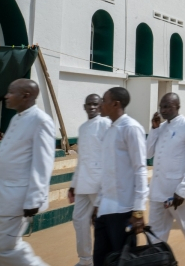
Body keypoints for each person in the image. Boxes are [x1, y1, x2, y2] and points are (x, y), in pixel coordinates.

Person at [0, 79, 55, 266]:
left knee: (6, 248)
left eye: (11, 92)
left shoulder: (41, 121)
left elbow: (43, 163)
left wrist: (34, 199)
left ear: (26, 96)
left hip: (18, 199)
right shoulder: (16, 118)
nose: (6, 96)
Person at [92, 88, 148, 266]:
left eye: (104, 100)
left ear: (115, 104)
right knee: (101, 259)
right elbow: (107, 172)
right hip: (105, 209)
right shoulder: (110, 130)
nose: (101, 104)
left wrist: (138, 210)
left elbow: (140, 169)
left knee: (123, 261)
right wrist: (97, 203)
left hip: (124, 210)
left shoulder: (131, 128)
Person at [147, 93, 185, 266]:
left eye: (167, 106)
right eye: (161, 106)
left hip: (177, 194)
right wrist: (154, 129)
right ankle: (156, 262)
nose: (163, 110)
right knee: (155, 234)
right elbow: (148, 154)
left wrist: (182, 190)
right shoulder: (161, 128)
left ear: (177, 107)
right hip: (158, 191)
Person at [69, 94, 111, 266]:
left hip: (99, 184)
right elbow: (82, 159)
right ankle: (85, 259)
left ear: (101, 106)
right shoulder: (83, 128)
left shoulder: (106, 124)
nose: (92, 107)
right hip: (82, 184)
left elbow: (108, 157)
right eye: (89, 104)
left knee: (101, 224)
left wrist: (105, 187)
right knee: (79, 220)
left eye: (96, 104)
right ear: (84, 107)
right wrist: (73, 185)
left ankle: (107, 259)